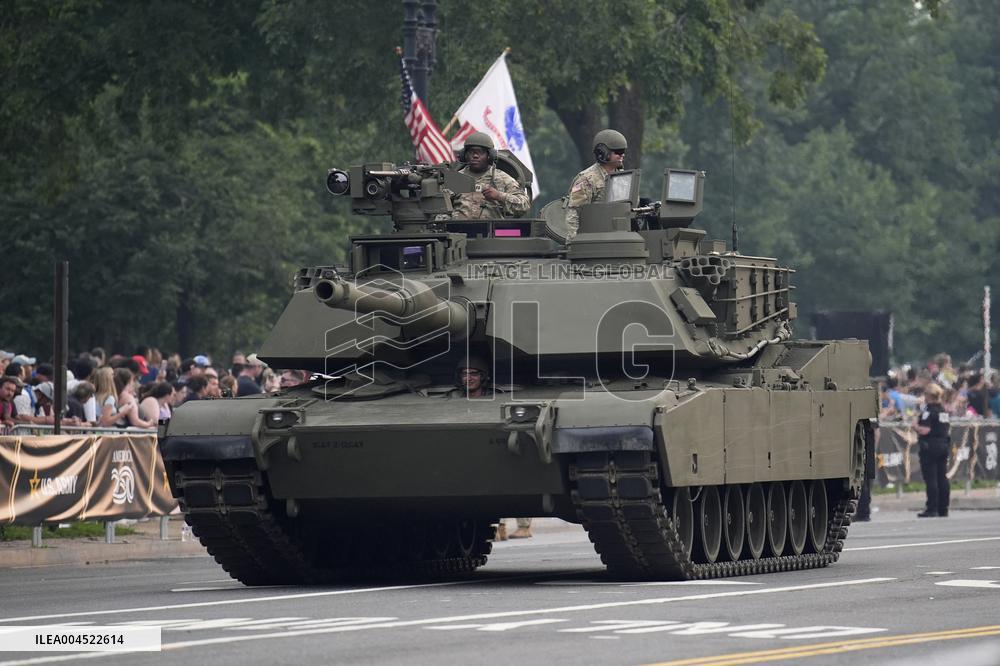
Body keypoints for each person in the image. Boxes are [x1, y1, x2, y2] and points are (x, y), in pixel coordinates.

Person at [446, 132, 530, 220]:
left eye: (480, 152)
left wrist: (499, 196)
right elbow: (438, 208)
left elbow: (524, 205)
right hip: (457, 231)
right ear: (464, 155)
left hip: (492, 231)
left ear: (490, 156)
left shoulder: (502, 178)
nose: (475, 156)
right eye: (471, 152)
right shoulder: (455, 178)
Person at [564, 129, 627, 238]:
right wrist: (573, 244)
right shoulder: (587, 179)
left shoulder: (621, 176)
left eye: (623, 151)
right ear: (603, 153)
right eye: (618, 152)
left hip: (616, 235)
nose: (622, 155)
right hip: (593, 238)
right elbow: (573, 215)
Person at [915, 382, 951, 518]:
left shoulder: (928, 411)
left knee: (931, 478)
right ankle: (944, 508)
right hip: (943, 445)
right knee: (942, 477)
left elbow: (926, 430)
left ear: (928, 395)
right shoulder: (943, 410)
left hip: (930, 446)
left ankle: (932, 508)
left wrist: (915, 426)